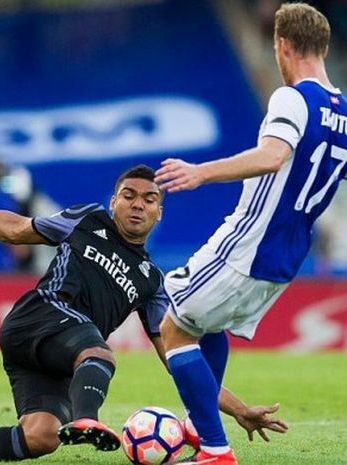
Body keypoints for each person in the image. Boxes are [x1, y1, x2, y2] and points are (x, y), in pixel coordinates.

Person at [0, 165, 286, 462]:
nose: (137, 205)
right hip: (38, 317)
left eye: (149, 199)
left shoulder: (152, 282)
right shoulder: (88, 220)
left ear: (160, 212)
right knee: (100, 354)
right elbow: (14, 228)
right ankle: (88, 420)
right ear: (113, 201)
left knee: (40, 438)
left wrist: (239, 408)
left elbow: (177, 360)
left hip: (62, 356)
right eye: (129, 196)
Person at [154, 3, 342, 464]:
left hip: (250, 243)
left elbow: (272, 156)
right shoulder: (343, 113)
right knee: (205, 323)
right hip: (287, 255)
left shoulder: (292, 98)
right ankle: (202, 430)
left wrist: (201, 172)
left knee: (172, 327)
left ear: (282, 46)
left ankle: (215, 450)